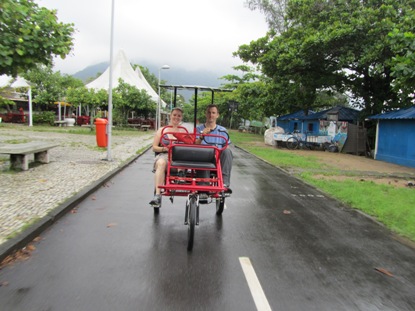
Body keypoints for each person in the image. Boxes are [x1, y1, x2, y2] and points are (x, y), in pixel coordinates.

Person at [149, 107, 186, 206]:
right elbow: (154, 147)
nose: (176, 117)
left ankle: (181, 175)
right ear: (170, 116)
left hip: (178, 156)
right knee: (161, 163)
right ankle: (157, 195)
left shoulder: (183, 131)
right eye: (174, 115)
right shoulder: (162, 130)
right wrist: (165, 149)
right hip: (164, 154)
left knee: (182, 158)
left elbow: (188, 146)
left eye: (179, 116)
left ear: (181, 118)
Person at [196, 104, 233, 192]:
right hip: (203, 157)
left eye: (213, 113)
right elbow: (194, 145)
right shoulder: (198, 129)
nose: (211, 115)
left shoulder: (222, 131)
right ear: (206, 114)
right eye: (209, 112)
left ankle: (224, 183)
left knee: (228, 151)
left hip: (218, 157)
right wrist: (202, 136)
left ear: (217, 115)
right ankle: (203, 186)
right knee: (202, 153)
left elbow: (226, 146)